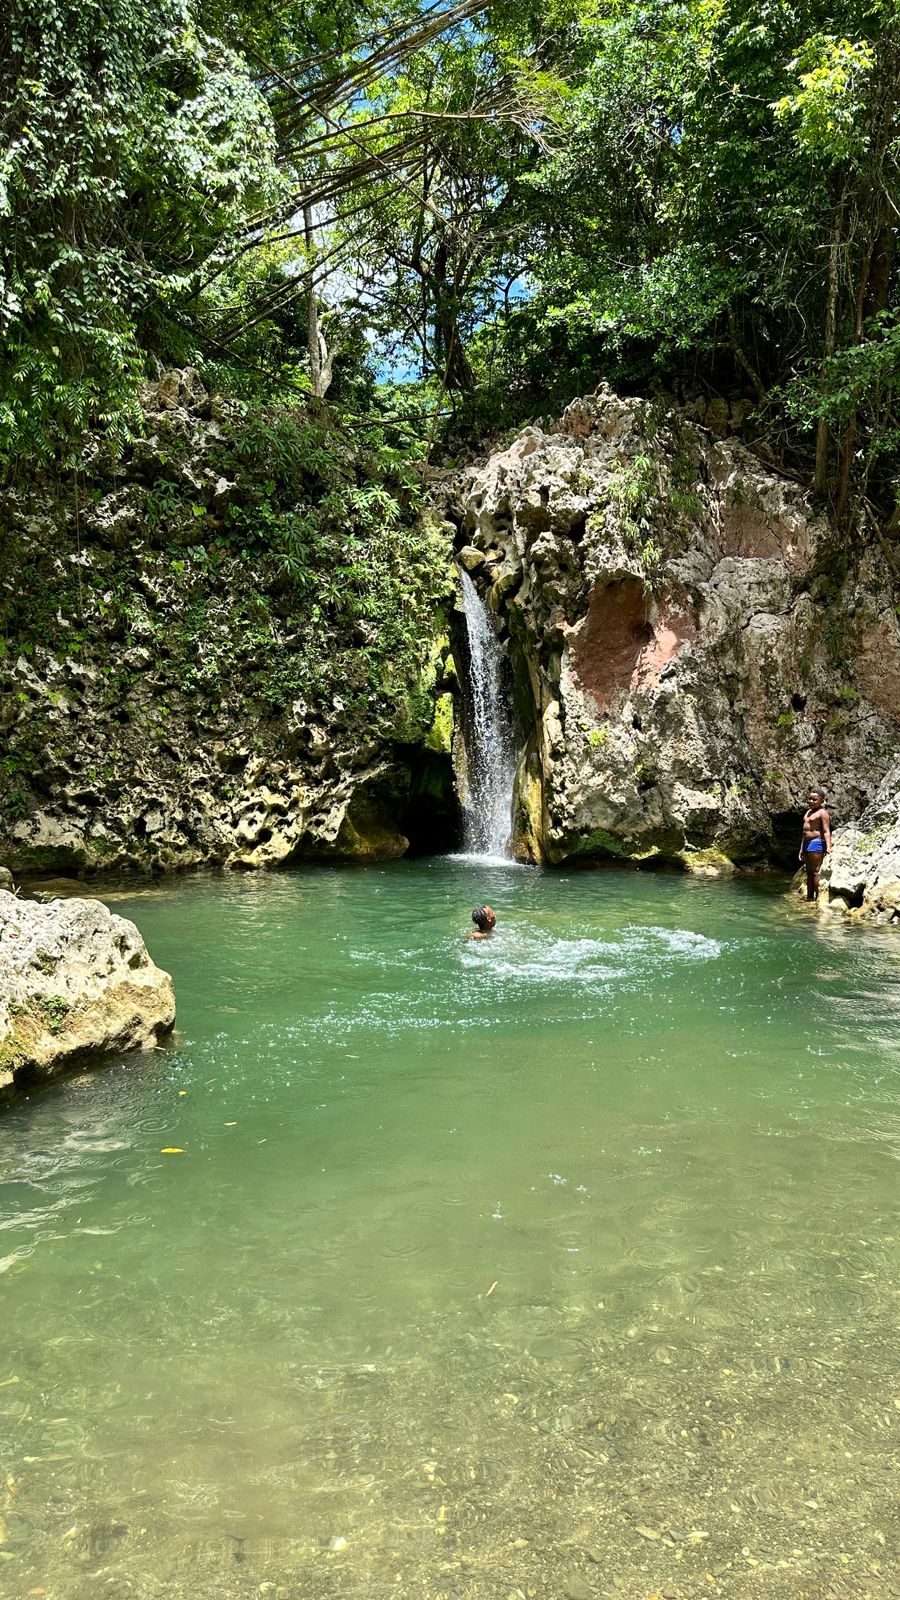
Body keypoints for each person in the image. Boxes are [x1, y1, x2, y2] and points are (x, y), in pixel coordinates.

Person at [798, 788, 832, 902]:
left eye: (815, 799)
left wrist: (828, 847)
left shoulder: (823, 813)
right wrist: (801, 849)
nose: (811, 801)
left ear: (821, 800)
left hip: (816, 842)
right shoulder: (808, 812)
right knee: (809, 872)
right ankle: (809, 897)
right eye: (810, 799)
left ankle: (818, 898)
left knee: (816, 871)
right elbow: (804, 833)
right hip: (807, 843)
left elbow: (826, 831)